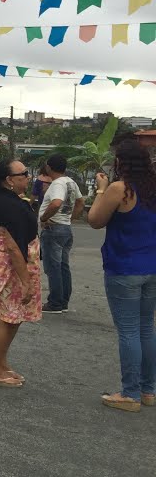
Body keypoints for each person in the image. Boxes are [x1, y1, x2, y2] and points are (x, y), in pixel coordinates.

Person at [87, 138, 156, 412]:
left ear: (120, 163)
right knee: (146, 329)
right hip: (151, 266)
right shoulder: (152, 188)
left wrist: (101, 191)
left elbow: (94, 220)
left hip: (124, 267)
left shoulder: (120, 189)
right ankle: (148, 390)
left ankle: (130, 394)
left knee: (128, 331)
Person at [0, 159, 41, 387]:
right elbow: (14, 246)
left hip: (4, 267)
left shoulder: (1, 200)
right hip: (8, 269)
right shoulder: (7, 204)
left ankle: (1, 363)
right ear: (9, 180)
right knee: (5, 317)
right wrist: (26, 281)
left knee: (12, 317)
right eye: (23, 173)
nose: (27, 176)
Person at [38, 154, 85, 313]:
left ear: (49, 167)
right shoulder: (70, 182)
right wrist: (71, 217)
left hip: (53, 229)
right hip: (65, 228)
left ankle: (55, 303)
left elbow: (56, 202)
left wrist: (44, 217)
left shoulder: (57, 184)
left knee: (53, 267)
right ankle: (63, 301)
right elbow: (80, 201)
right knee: (63, 266)